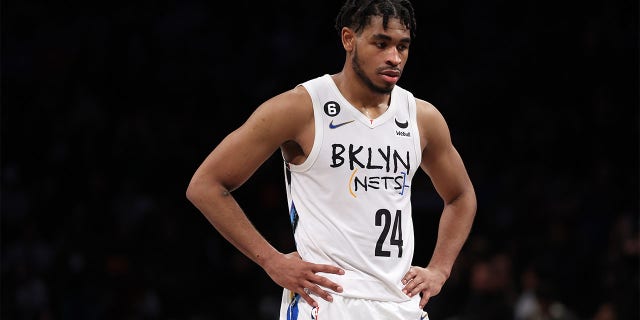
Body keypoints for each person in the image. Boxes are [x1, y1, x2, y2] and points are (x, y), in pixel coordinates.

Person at [186, 0, 476, 319]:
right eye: (381, 44)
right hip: (325, 302)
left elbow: (461, 196)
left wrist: (440, 269)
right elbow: (206, 185)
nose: (394, 57)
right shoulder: (300, 107)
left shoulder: (422, 117)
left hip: (400, 303)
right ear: (349, 39)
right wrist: (271, 260)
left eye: (402, 46)